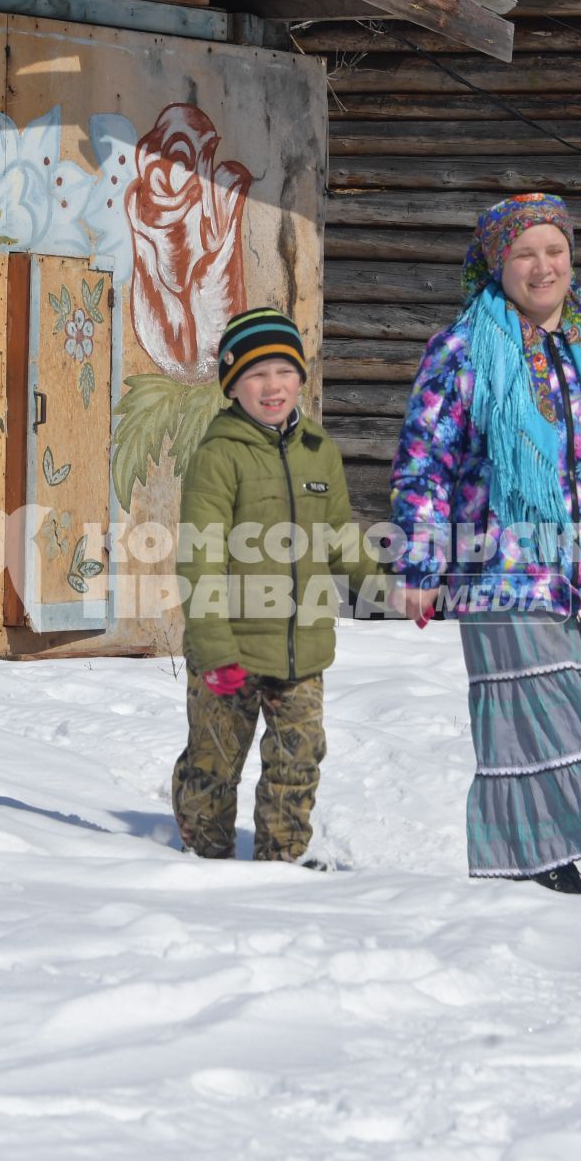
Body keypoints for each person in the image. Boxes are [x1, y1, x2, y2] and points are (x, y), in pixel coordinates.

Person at [388, 193, 581, 894]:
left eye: (554, 250)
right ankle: (539, 866)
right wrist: (419, 560)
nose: (542, 266)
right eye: (525, 253)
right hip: (503, 567)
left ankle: (547, 851)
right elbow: (425, 462)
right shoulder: (462, 350)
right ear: (498, 263)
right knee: (537, 713)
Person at [170, 307, 374, 866]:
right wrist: (213, 648)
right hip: (230, 646)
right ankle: (200, 855)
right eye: (257, 375)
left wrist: (387, 587)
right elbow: (200, 557)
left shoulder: (319, 451)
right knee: (215, 763)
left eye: (284, 371)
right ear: (233, 386)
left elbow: (337, 537)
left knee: (298, 758)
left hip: (301, 647)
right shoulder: (220, 455)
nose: (273, 386)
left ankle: (282, 864)